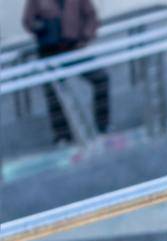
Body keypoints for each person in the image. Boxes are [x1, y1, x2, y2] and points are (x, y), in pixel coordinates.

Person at [22, 0, 110, 145]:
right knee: (54, 94)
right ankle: (62, 136)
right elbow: (28, 21)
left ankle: (103, 126)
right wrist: (41, 27)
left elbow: (91, 16)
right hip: (49, 51)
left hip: (73, 48)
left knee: (101, 78)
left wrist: (85, 36)